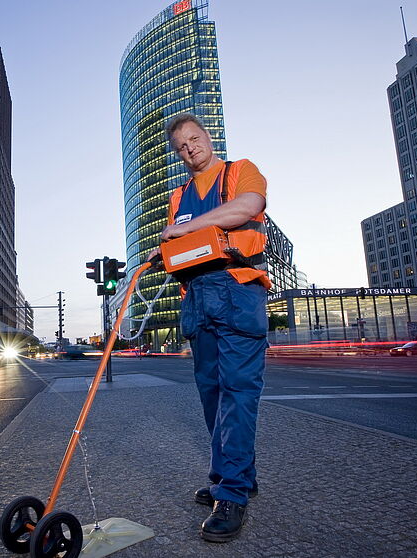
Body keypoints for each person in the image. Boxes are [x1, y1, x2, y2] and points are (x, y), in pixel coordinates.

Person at [153, 113, 270, 543]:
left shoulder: (240, 171)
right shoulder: (178, 195)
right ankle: (234, 477)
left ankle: (232, 493)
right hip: (198, 300)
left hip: (237, 292)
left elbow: (247, 208)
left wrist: (184, 228)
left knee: (237, 392)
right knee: (212, 395)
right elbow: (180, 247)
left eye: (194, 138)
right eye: (181, 146)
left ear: (208, 136)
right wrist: (166, 250)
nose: (190, 148)